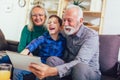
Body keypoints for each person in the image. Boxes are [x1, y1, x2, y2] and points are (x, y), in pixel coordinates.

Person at [29, 4, 101, 80]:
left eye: (69, 20)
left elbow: (80, 61)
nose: (65, 24)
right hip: (69, 68)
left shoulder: (91, 36)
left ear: (80, 21)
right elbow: (47, 36)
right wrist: (30, 50)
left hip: (88, 72)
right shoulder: (65, 32)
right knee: (52, 60)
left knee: (79, 66)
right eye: (64, 20)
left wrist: (54, 70)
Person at [13, 15, 66, 80]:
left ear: (60, 27)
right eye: (49, 22)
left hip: (54, 67)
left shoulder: (64, 40)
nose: (51, 24)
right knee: (17, 70)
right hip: (41, 64)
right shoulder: (43, 37)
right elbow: (35, 43)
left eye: (54, 22)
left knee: (40, 75)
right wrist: (27, 50)